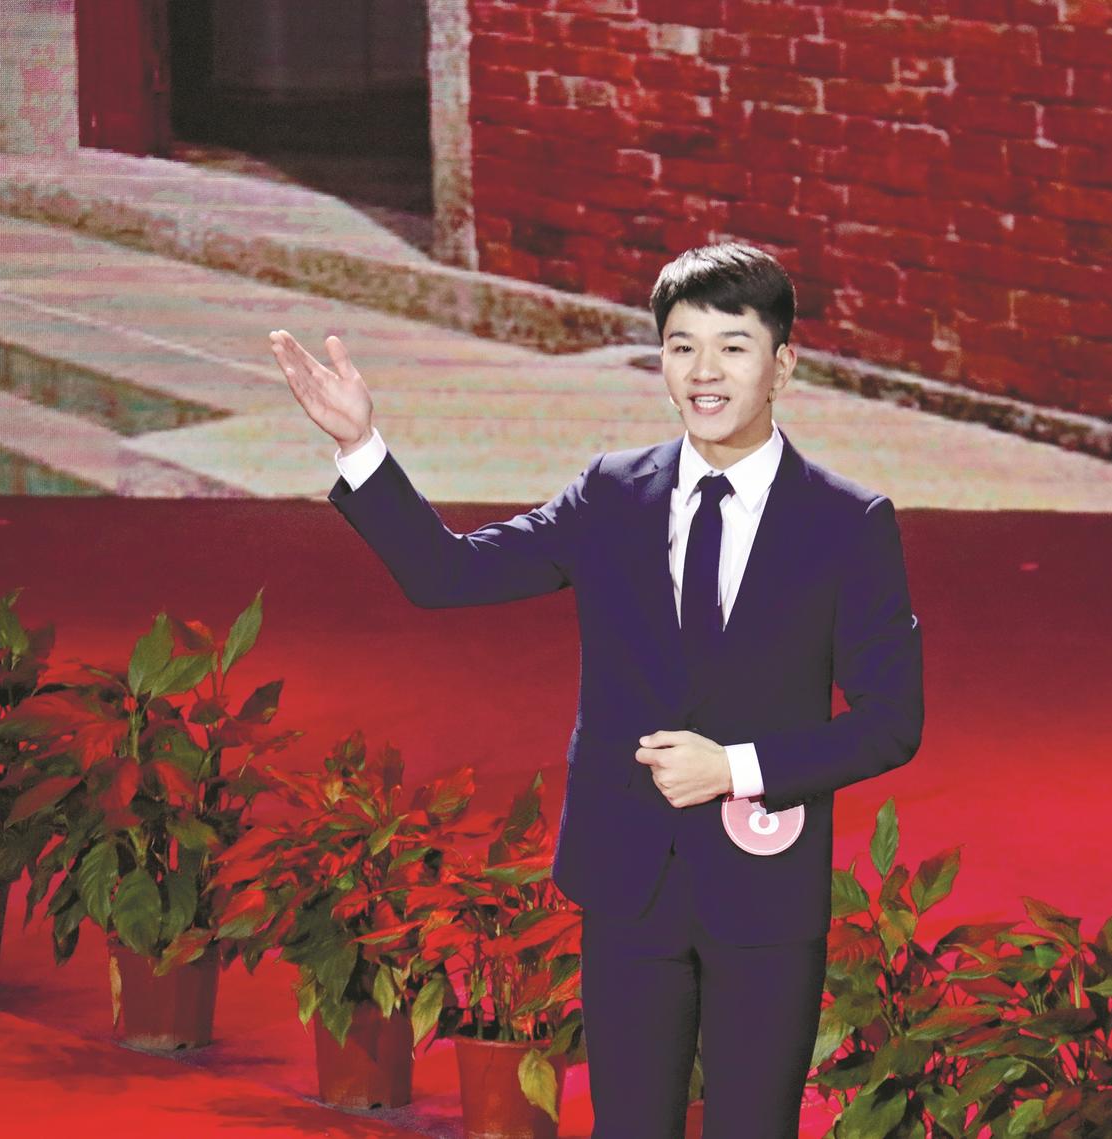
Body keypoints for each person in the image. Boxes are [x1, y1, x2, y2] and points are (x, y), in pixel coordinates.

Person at [270, 242, 924, 1138]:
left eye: (732, 346)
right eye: (681, 346)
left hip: (763, 894)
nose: (704, 371)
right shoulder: (611, 494)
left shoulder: (848, 522)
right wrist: (359, 445)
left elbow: (891, 722)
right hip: (629, 883)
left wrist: (734, 767)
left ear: (784, 364)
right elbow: (445, 573)